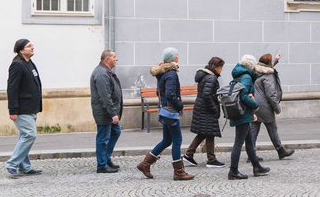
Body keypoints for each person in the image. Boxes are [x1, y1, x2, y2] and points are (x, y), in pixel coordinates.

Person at [136, 48, 194, 181]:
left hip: (164, 109)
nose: (178, 56)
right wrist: (180, 106)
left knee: (167, 140)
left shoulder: (162, 72)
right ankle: (178, 172)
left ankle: (145, 163)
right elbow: (170, 94)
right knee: (177, 140)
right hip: (170, 111)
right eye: (176, 54)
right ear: (172, 58)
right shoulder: (172, 73)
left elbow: (159, 92)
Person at [228, 54, 270, 180]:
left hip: (243, 113)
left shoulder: (241, 74)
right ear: (251, 65)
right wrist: (255, 106)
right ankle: (233, 171)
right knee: (239, 142)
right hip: (243, 113)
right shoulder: (246, 76)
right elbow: (243, 96)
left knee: (249, 141)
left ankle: (257, 167)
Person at [5, 39, 43, 178]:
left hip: (31, 107)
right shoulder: (17, 65)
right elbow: (12, 88)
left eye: (32, 45)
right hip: (22, 108)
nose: (32, 47)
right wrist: (13, 110)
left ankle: (25, 167)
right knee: (29, 135)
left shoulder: (29, 63)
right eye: (29, 46)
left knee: (24, 136)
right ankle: (12, 164)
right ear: (21, 50)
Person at [182, 57, 225, 168]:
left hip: (202, 108)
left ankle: (189, 154)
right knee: (209, 132)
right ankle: (211, 159)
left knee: (205, 132)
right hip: (207, 110)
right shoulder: (211, 78)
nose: (221, 70)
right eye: (221, 67)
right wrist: (214, 109)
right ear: (216, 67)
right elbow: (207, 95)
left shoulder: (205, 76)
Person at [252, 52, 294, 160]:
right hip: (264, 106)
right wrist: (277, 108)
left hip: (254, 104)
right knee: (272, 128)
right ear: (268, 63)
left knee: (254, 129)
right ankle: (280, 150)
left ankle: (251, 153)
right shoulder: (268, 75)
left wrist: (275, 59)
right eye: (271, 61)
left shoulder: (256, 70)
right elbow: (271, 94)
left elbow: (266, 66)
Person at [90, 50, 123, 174]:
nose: (117, 59)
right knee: (103, 138)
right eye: (114, 57)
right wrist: (113, 113)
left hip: (108, 111)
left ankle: (106, 158)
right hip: (104, 112)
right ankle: (102, 165)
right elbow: (105, 96)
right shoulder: (102, 74)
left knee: (116, 132)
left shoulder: (106, 72)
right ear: (107, 59)